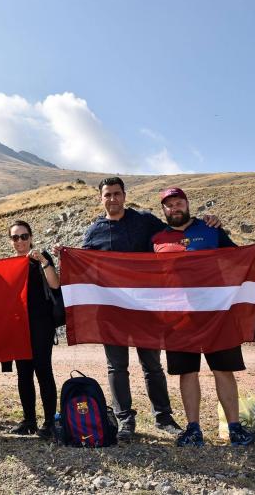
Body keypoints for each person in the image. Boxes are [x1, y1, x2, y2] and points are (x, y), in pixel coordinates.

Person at [152, 187, 255, 446]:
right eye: (169, 205)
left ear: (187, 204)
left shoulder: (211, 229)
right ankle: (193, 429)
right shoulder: (157, 238)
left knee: (223, 369)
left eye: (179, 202)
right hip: (178, 316)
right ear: (163, 210)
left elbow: (237, 257)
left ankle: (235, 428)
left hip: (217, 313)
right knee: (187, 372)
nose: (175, 208)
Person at [81, 176, 192, 440]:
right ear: (101, 198)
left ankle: (163, 417)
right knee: (116, 367)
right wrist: (65, 255)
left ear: (124, 195)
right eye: (107, 195)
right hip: (112, 311)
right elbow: (83, 266)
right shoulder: (94, 231)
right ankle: (125, 420)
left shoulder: (144, 220)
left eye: (117, 194)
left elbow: (176, 229)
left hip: (146, 308)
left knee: (152, 364)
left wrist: (205, 223)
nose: (113, 199)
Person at [6, 220, 60, 439]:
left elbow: (55, 285)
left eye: (24, 236)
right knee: (23, 373)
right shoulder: (8, 264)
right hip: (19, 325)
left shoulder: (42, 258)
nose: (20, 241)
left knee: (43, 370)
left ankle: (48, 422)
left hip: (41, 323)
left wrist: (44, 262)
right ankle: (29, 420)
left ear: (31, 237)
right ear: (11, 241)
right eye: (15, 237)